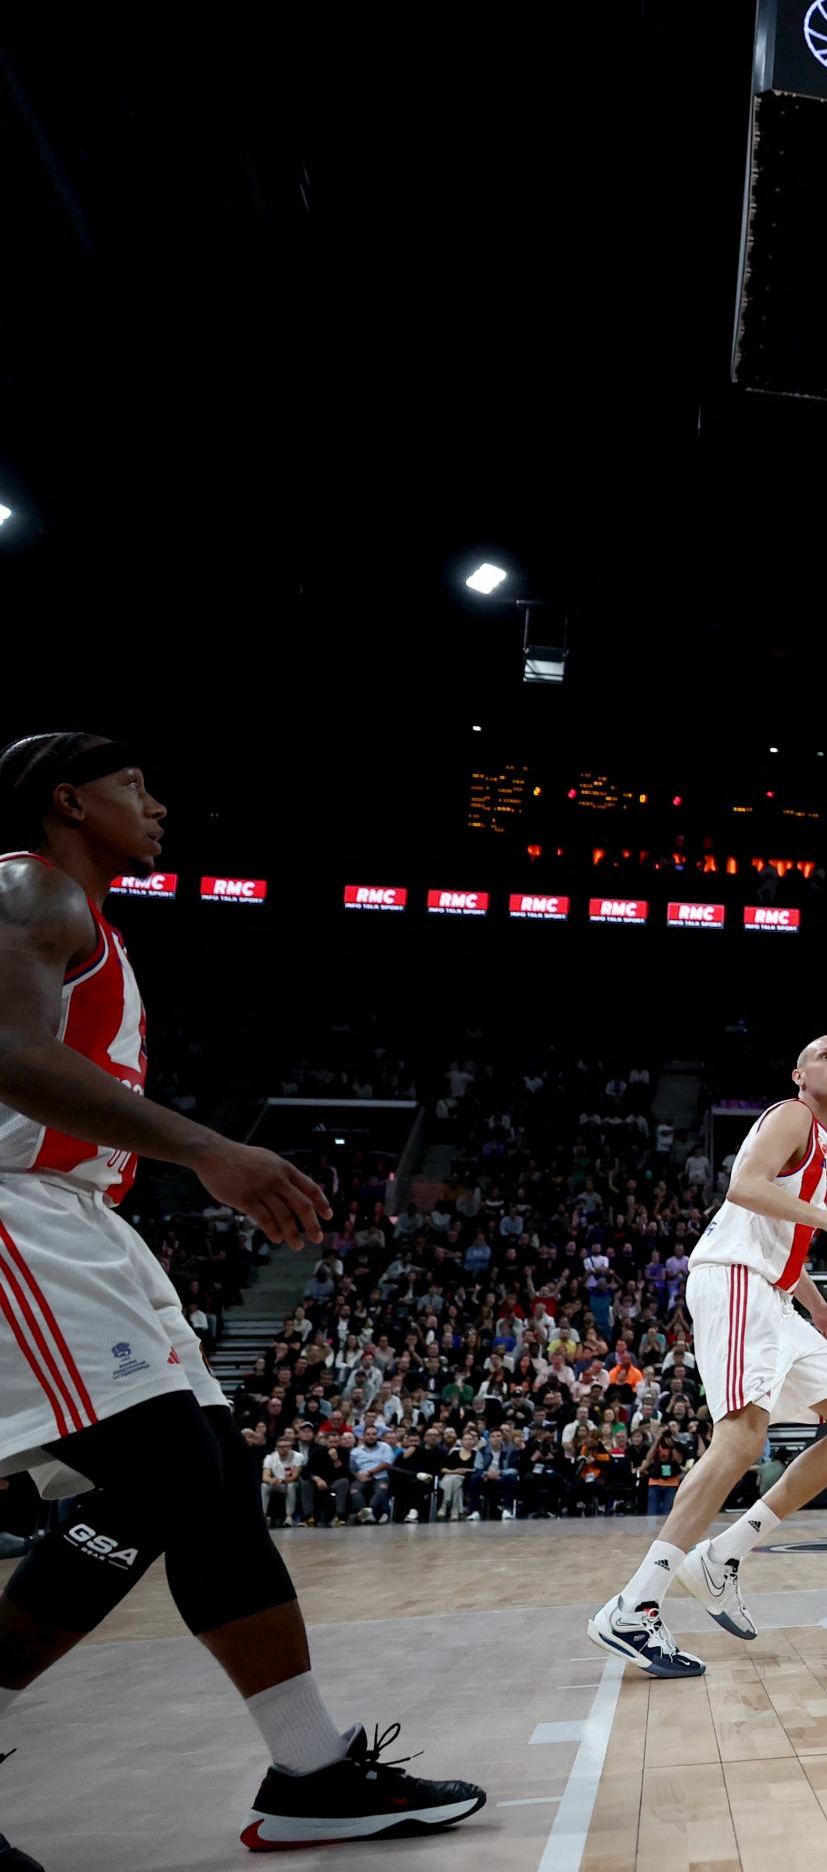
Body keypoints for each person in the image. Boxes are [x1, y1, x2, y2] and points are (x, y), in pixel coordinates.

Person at [0, 733, 485, 1860]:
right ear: (68, 798)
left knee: (215, 1479)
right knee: (167, 1468)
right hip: (16, 1201)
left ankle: (312, 1772)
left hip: (75, 1216)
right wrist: (210, 1149)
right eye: (134, 785)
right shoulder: (27, 884)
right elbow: (9, 1053)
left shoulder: (83, 917)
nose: (157, 804)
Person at [589, 1037, 827, 1679]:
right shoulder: (792, 1116)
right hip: (735, 1280)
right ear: (799, 1074)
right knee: (740, 1442)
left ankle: (723, 1553)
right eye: (826, 1054)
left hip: (776, 1295)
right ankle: (634, 1606)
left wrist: (815, 1304)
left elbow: (786, 1236)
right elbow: (745, 1187)